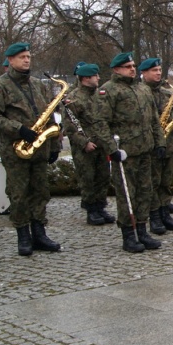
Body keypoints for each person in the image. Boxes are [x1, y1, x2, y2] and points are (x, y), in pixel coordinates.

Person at [0, 42, 63, 256]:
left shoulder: (39, 85)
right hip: (15, 150)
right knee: (19, 194)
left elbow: (50, 116)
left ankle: (39, 233)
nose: (26, 60)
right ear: (10, 60)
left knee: (40, 192)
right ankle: (23, 236)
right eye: (21, 57)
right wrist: (19, 129)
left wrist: (54, 144)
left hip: (39, 148)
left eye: (28, 56)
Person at [90, 52, 167, 253]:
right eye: (127, 66)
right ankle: (128, 234)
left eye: (133, 65)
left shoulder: (143, 89)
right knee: (127, 195)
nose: (132, 69)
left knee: (145, 191)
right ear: (116, 69)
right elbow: (100, 123)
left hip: (145, 149)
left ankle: (142, 230)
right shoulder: (108, 91)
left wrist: (160, 142)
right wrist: (111, 149)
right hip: (125, 152)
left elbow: (153, 120)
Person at [63, 62, 115, 226]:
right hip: (85, 147)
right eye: (95, 75)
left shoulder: (99, 95)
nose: (99, 78)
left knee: (103, 177)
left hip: (102, 144)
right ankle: (91, 209)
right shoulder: (73, 99)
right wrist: (83, 142)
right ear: (86, 78)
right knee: (88, 178)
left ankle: (101, 206)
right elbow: (70, 126)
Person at [139, 58, 173, 234]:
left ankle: (165, 212)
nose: (158, 73)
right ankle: (155, 217)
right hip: (151, 145)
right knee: (153, 182)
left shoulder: (167, 93)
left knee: (166, 181)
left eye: (159, 69)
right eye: (154, 70)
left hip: (169, 144)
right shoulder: (141, 92)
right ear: (143, 73)